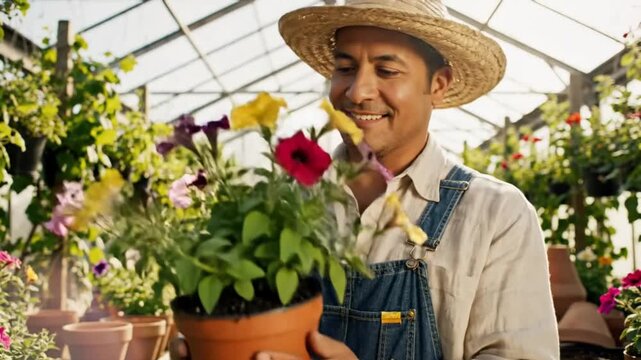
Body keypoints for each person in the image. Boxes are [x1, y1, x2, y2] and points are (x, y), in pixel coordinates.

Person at [171, 0, 559, 359]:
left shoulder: (494, 214)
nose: (357, 92)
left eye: (387, 71)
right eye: (344, 68)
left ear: (438, 85)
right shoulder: (283, 205)